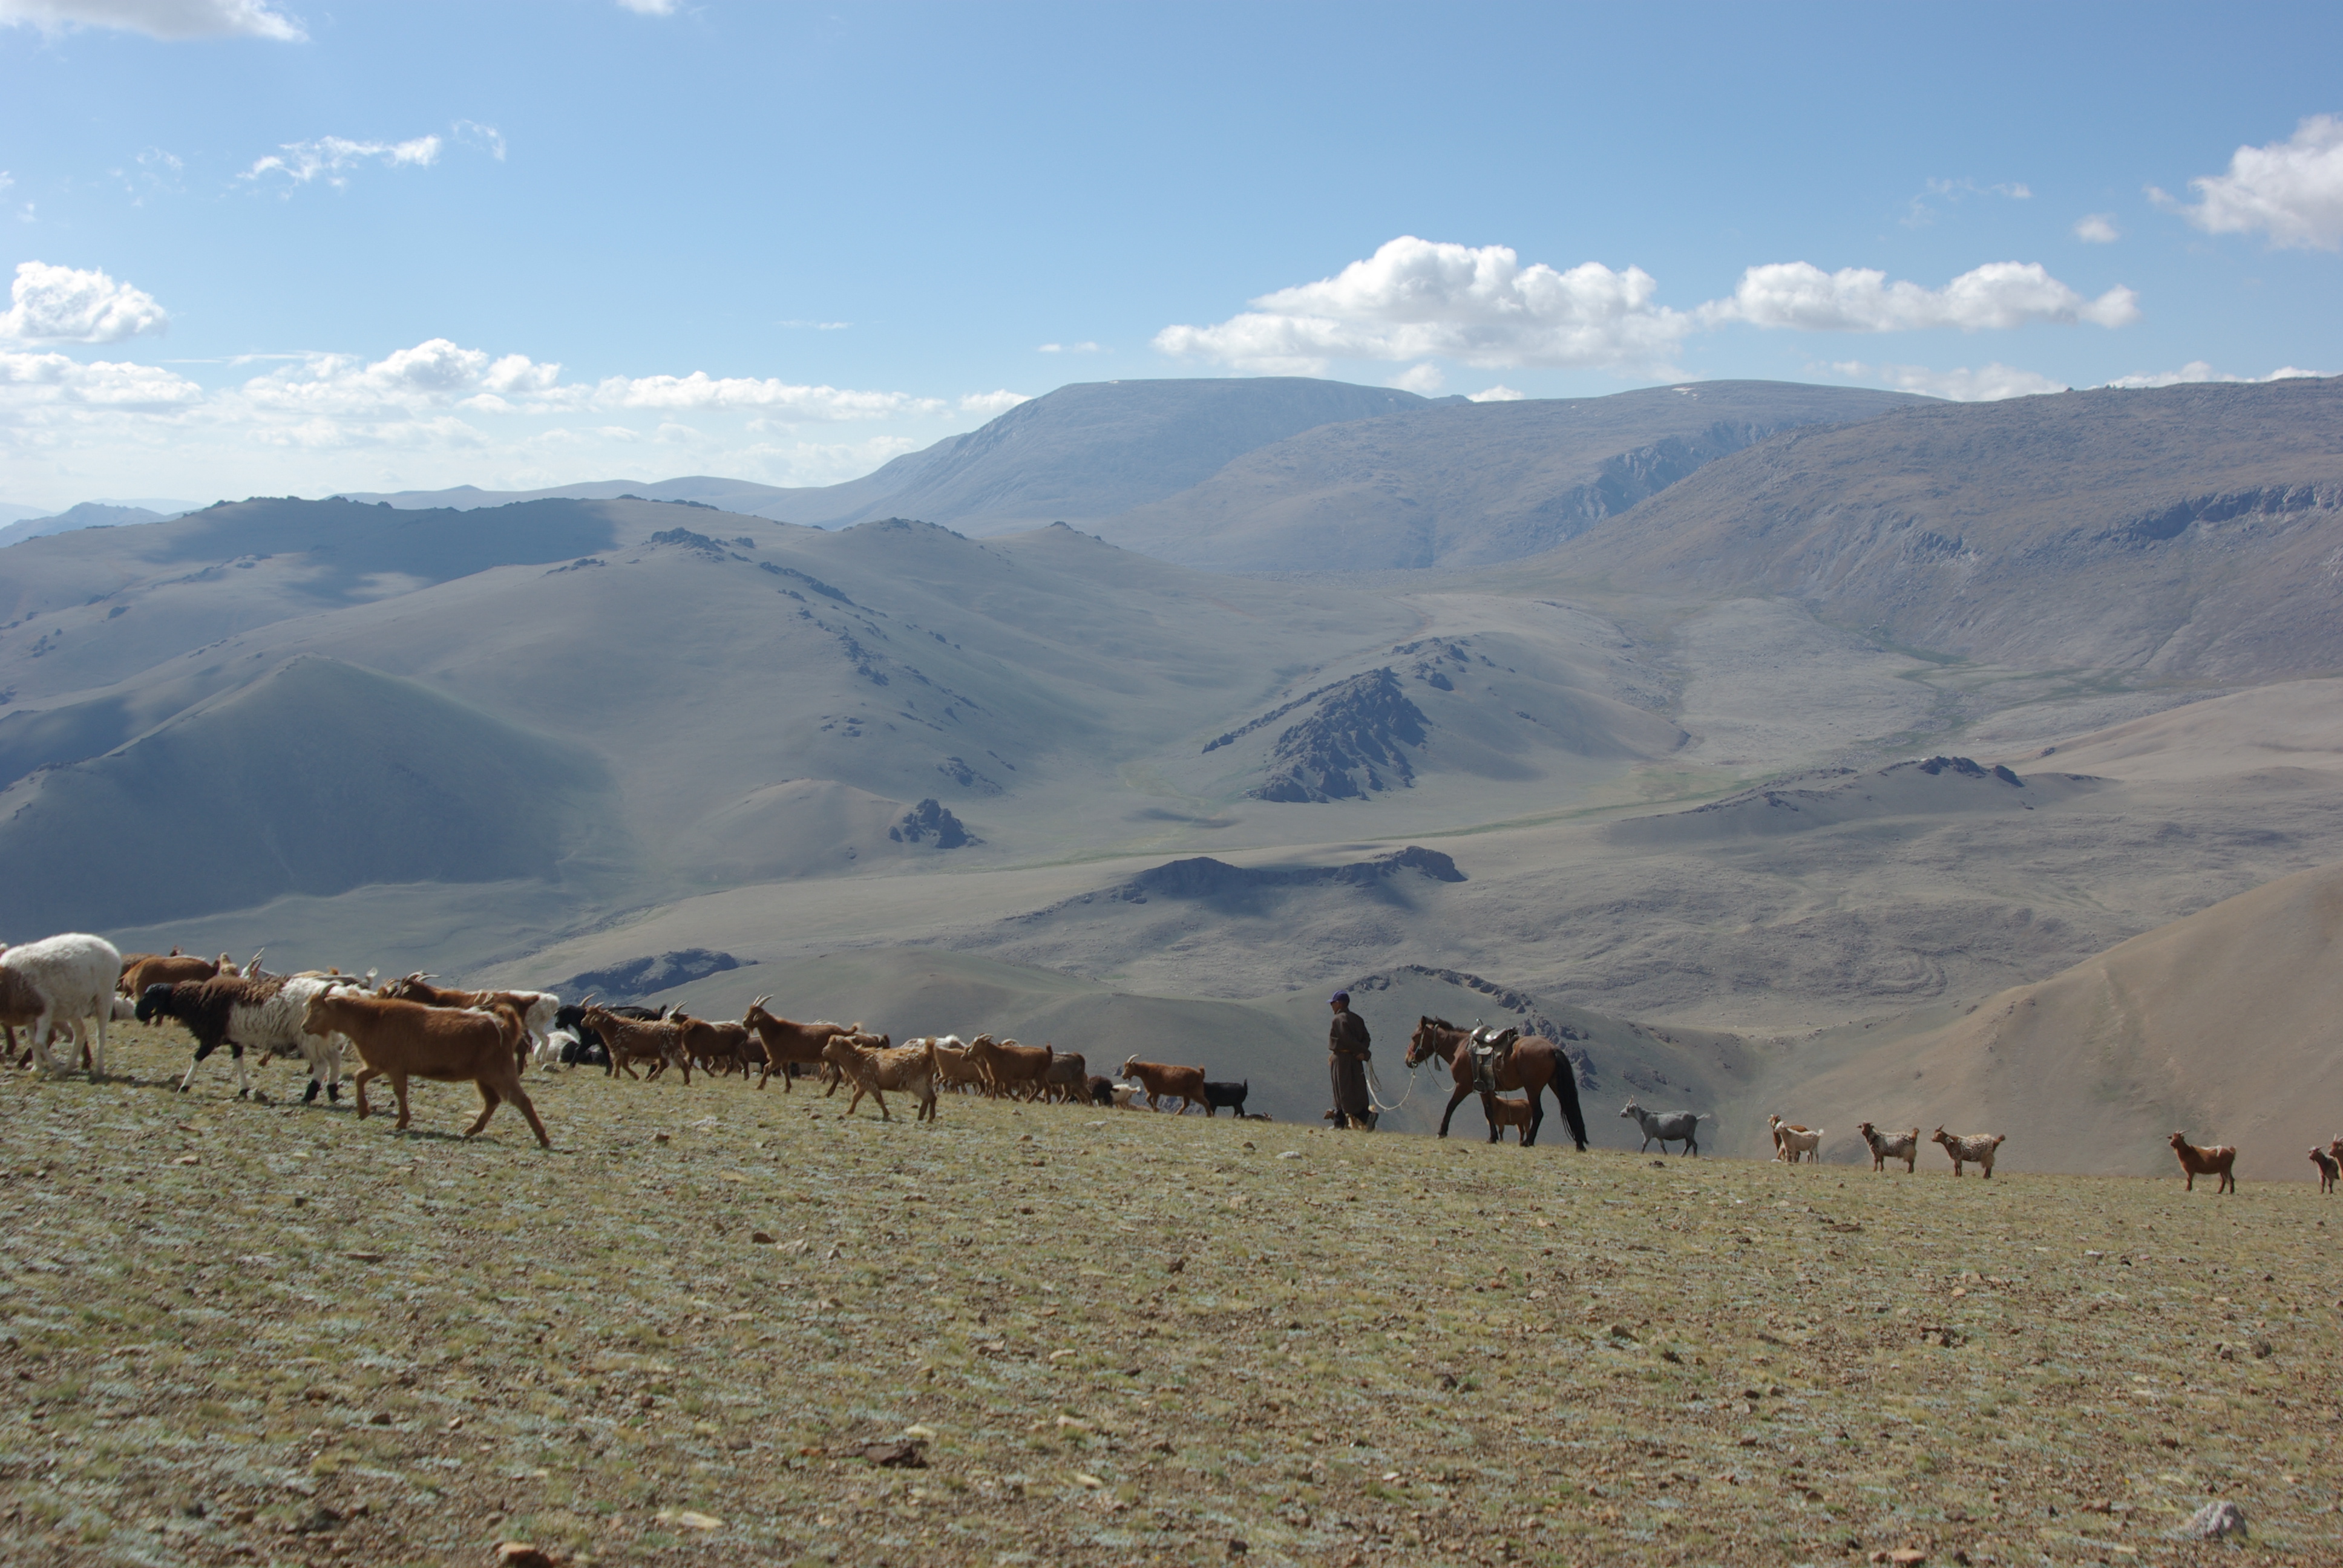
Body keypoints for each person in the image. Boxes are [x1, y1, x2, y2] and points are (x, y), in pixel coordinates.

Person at [1327, 991, 1375, 1129]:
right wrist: (1362, 1053)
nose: (1331, 1006)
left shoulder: (1338, 1020)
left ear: (1340, 1004)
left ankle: (1365, 1118)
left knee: (1342, 1090)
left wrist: (1365, 1053)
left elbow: (1347, 1039)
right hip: (1356, 1059)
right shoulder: (1358, 1019)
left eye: (1333, 1003)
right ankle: (1340, 1122)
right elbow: (1367, 1038)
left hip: (1343, 1060)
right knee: (1356, 1090)